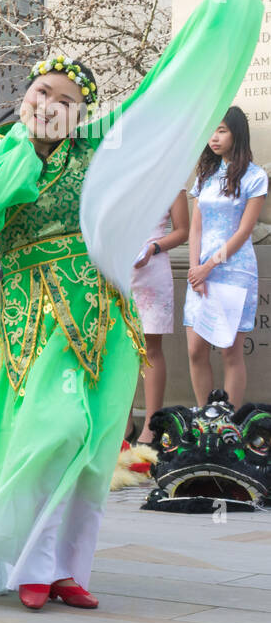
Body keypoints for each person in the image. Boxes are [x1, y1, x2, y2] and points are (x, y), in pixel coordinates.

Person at [0, 0, 261, 610]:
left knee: (95, 447)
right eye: (42, 92)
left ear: (82, 116)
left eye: (67, 101)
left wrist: (209, 33)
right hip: (33, 317)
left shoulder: (97, 156)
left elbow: (156, 97)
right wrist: (23, 152)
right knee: (52, 428)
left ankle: (62, 566)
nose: (50, 105)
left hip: (104, 317)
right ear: (24, 98)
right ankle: (16, 557)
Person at [184, 106, 266, 408]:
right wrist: (196, 269)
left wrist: (208, 266)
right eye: (211, 130)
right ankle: (207, 422)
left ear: (237, 133)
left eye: (221, 130)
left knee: (229, 351)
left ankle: (227, 428)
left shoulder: (254, 177)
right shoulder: (205, 175)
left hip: (233, 270)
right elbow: (196, 227)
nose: (214, 137)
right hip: (200, 272)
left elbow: (244, 231)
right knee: (195, 350)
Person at [130, 190, 189, 445]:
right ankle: (124, 422)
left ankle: (151, 425)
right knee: (121, 350)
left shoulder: (172, 178)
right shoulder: (118, 173)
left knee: (150, 349)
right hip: (119, 269)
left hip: (152, 269)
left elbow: (183, 231)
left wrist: (153, 247)